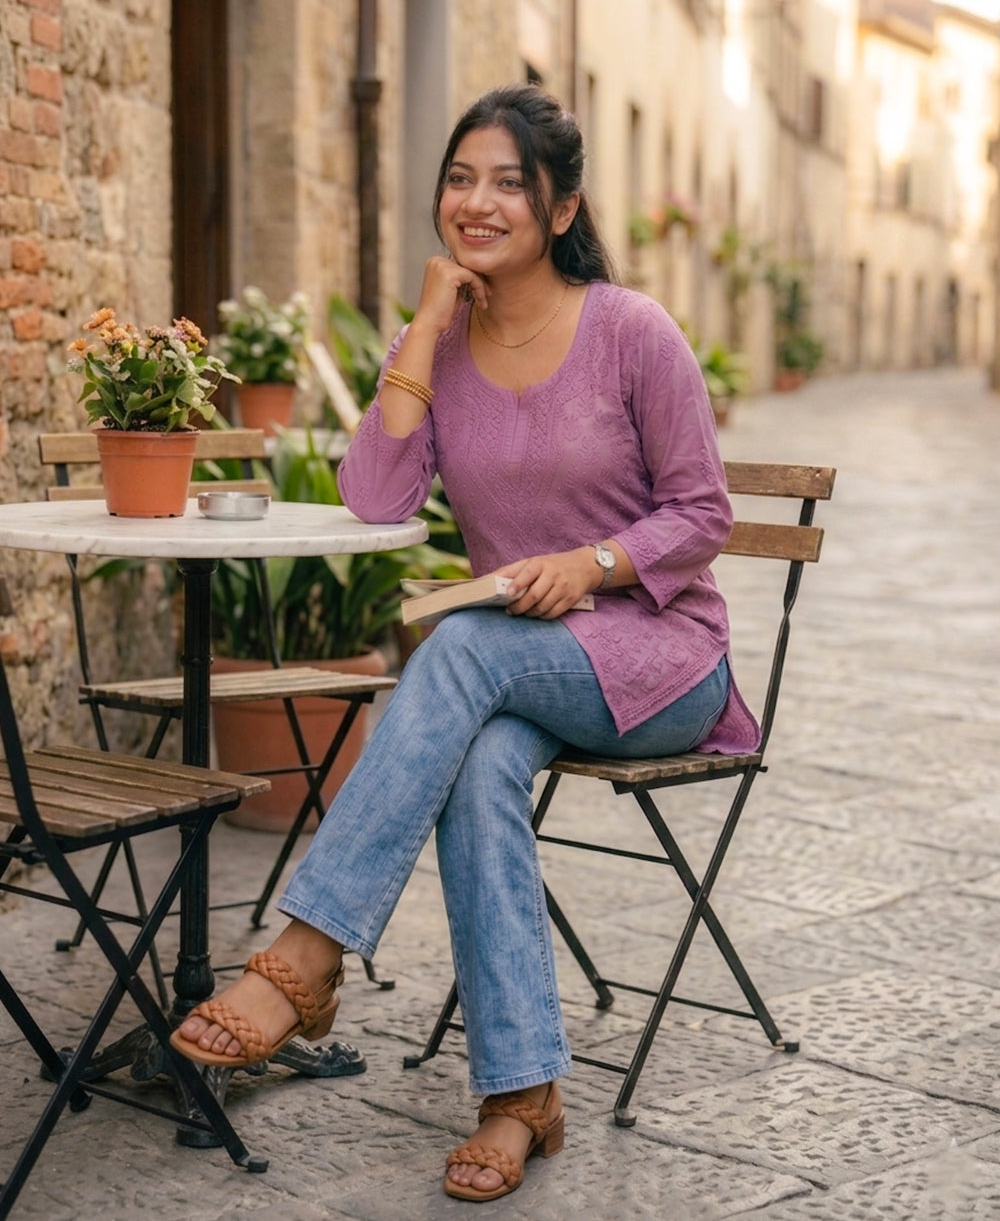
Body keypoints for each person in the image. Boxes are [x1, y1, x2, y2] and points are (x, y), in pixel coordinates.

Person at [170, 81, 760, 1202]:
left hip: (657, 659)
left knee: (460, 651)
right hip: (520, 668)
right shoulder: (432, 341)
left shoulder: (631, 331)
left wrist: (588, 566)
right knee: (480, 758)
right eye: (458, 177)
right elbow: (378, 498)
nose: (476, 202)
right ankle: (523, 1092)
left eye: (507, 183)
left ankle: (305, 952)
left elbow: (702, 514)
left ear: (562, 205)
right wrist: (431, 325)